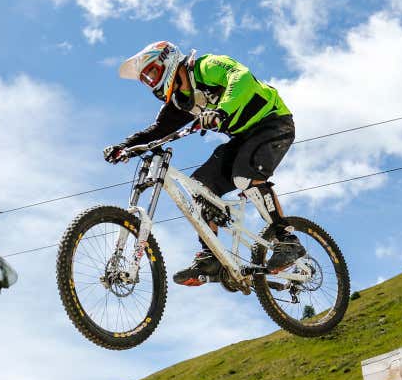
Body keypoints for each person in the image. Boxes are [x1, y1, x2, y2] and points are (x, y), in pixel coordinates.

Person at [104, 41, 304, 286]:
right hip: (242, 137)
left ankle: (286, 240)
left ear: (168, 61)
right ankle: (212, 257)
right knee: (200, 187)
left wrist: (221, 110)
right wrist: (124, 147)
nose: (150, 81)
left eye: (152, 73)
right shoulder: (181, 101)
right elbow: (158, 131)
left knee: (244, 174)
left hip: (273, 123)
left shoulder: (205, 67)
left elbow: (239, 77)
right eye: (145, 79)